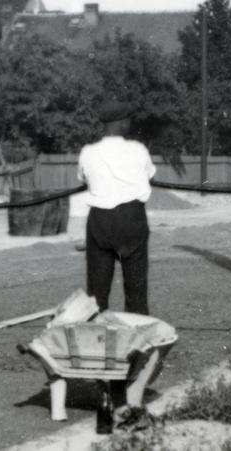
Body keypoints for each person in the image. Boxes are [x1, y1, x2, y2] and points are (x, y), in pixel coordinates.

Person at [78, 100, 156, 315]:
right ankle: (138, 337)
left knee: (97, 290)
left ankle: (94, 340)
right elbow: (149, 174)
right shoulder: (138, 149)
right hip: (132, 218)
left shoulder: (88, 151)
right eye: (128, 120)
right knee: (136, 288)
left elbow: (84, 178)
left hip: (100, 220)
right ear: (122, 124)